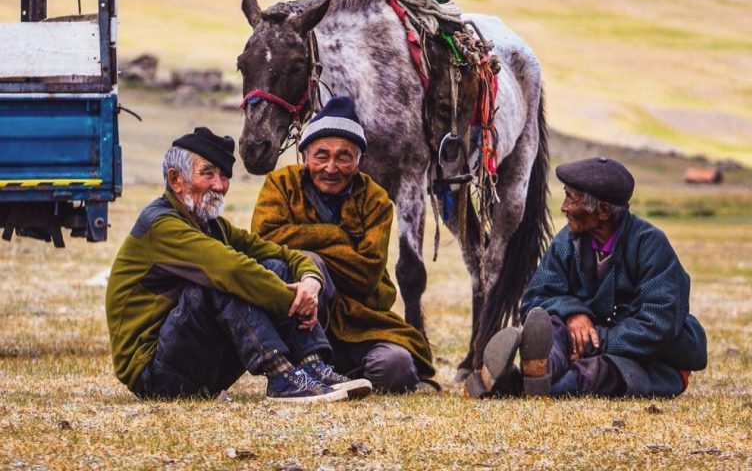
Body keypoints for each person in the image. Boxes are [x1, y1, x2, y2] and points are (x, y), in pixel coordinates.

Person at [105, 125, 371, 403]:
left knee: (274, 266)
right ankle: (281, 376)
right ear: (175, 179)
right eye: (208, 173)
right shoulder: (160, 224)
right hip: (155, 374)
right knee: (222, 279)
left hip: (202, 368)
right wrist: (294, 302)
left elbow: (284, 255)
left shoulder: (212, 225)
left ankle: (312, 366)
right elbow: (232, 270)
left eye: (224, 176)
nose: (219, 186)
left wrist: (310, 283)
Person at [465, 156, 707, 399]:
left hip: (649, 361)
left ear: (603, 210)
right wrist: (573, 313)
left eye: (572, 198)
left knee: (594, 372)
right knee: (550, 323)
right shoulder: (567, 242)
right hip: (582, 347)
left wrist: (595, 340)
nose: (564, 207)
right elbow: (535, 298)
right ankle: (542, 369)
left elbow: (659, 324)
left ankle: (514, 386)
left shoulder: (650, 245)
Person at [251, 96, 437, 392]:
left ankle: (344, 374)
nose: (331, 167)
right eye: (321, 155)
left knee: (396, 368)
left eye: (343, 157)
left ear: (359, 161)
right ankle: (311, 362)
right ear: (305, 156)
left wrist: (303, 238)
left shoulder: (375, 199)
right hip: (304, 321)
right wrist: (338, 237)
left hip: (361, 319)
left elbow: (367, 272)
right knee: (309, 262)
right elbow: (266, 239)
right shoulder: (280, 185)